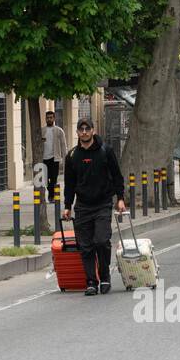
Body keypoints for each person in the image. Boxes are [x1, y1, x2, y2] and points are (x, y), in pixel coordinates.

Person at [61, 118, 127, 296]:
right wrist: (68, 205)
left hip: (103, 204)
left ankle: (105, 277)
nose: (84, 132)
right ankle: (91, 281)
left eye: (87, 128)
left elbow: (117, 176)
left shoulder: (106, 151)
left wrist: (120, 198)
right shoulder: (72, 156)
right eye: (81, 129)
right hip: (83, 206)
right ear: (77, 132)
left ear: (93, 130)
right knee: (86, 245)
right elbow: (69, 183)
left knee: (101, 241)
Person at [40, 110, 68, 205]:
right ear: (45, 119)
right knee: (45, 179)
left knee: (53, 178)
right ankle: (51, 193)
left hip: (55, 158)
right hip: (44, 159)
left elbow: (64, 145)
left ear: (54, 118)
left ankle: (51, 196)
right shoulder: (42, 131)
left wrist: (66, 158)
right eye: (47, 118)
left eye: (51, 117)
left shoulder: (59, 131)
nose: (49, 119)